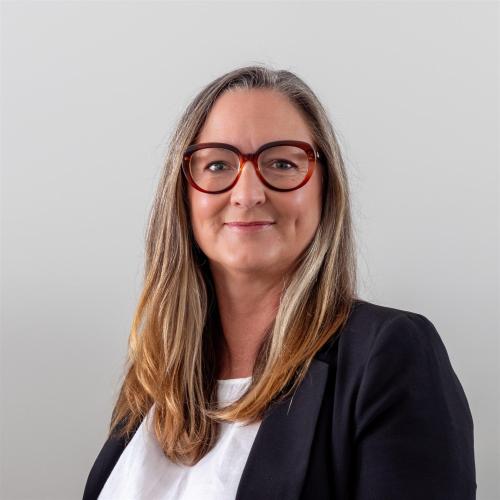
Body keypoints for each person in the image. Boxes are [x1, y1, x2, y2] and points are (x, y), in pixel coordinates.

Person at [82, 65, 476, 500]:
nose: (247, 194)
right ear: (183, 194)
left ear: (326, 190)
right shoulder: (156, 377)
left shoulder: (391, 353)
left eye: (283, 163)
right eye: (217, 164)